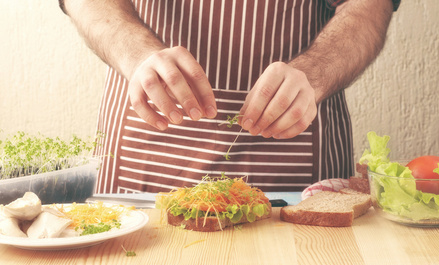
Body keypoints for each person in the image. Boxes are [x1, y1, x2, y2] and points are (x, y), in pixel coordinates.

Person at [59, 0, 400, 194]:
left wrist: (313, 74)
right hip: (145, 153)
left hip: (294, 158)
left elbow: (369, 5)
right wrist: (136, 54)